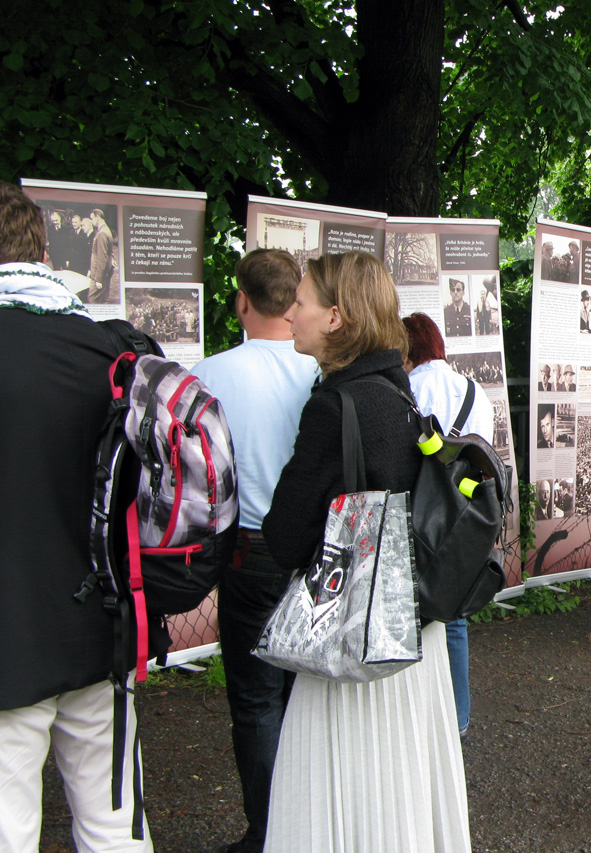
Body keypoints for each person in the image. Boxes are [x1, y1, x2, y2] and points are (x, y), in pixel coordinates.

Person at [261, 252, 469, 851]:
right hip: (412, 636)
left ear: (335, 317)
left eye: (300, 301)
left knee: (345, 792)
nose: (290, 313)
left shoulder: (335, 407)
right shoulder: (401, 396)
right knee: (403, 787)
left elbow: (285, 538)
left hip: (354, 644)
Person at [0, 182, 161, 850]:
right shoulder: (112, 353)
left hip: (10, 639)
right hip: (101, 628)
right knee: (114, 825)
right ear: (42, 250)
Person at [192, 249, 319, 853]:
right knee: (306, 696)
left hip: (247, 551)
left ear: (242, 300)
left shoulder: (209, 374)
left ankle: (269, 835)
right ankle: (308, 829)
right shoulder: (317, 368)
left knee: (255, 699)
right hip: (313, 551)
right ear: (294, 301)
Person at [403, 312, 496, 742]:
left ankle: (416, 720)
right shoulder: (476, 392)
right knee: (453, 616)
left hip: (421, 513)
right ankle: (458, 717)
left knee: (410, 613)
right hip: (465, 516)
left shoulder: (409, 390)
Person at [88, 207, 114, 303]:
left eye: (92, 219)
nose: (91, 222)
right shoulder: (106, 230)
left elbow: (102, 257)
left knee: (92, 299)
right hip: (103, 272)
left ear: (97, 217)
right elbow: (109, 251)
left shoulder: (102, 233)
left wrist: (98, 279)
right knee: (101, 299)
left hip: (99, 274)